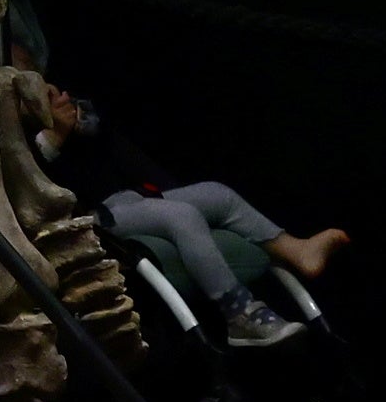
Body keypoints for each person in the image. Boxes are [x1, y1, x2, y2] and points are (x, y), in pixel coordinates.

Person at [33, 85, 345, 348]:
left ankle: (296, 250)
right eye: (48, 93)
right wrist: (53, 139)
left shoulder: (79, 118)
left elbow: (119, 155)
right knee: (181, 214)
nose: (58, 92)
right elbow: (40, 194)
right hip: (93, 218)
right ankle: (240, 315)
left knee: (216, 194)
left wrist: (88, 128)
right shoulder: (24, 137)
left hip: (134, 199)